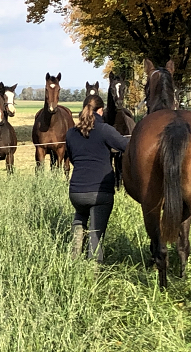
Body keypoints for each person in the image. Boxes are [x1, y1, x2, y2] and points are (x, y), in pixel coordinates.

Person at [65, 94, 129, 263]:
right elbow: (127, 147)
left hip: (76, 191)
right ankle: (92, 275)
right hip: (100, 192)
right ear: (101, 111)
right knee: (96, 234)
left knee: (80, 217)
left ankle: (74, 259)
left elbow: (72, 158)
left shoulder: (71, 133)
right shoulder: (105, 129)